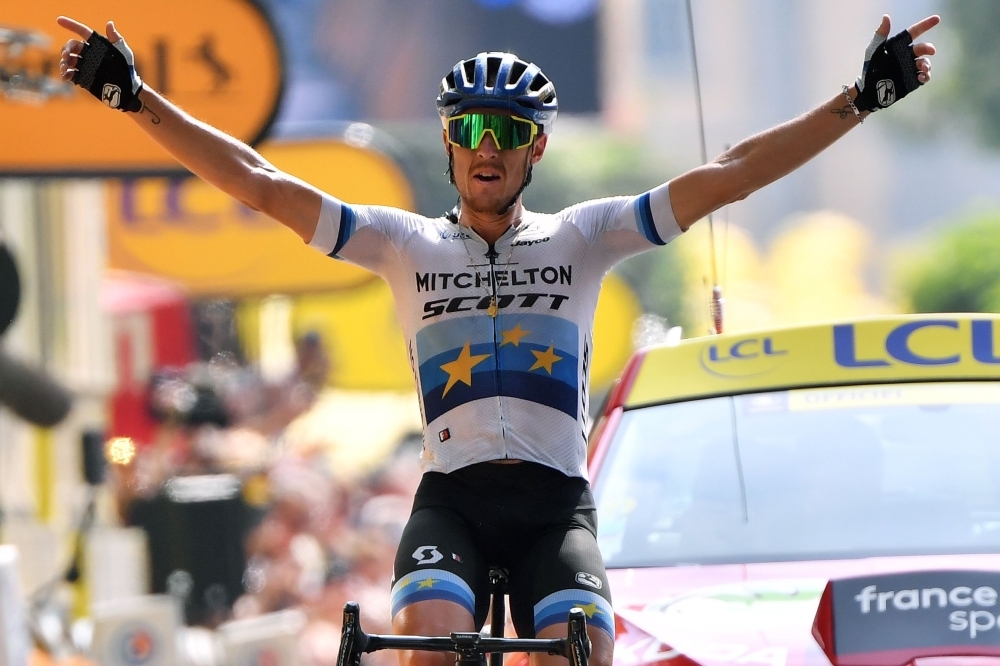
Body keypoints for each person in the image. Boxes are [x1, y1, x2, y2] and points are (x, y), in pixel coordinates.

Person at [57, 13, 938, 666]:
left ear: (535, 149)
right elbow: (258, 181)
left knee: (583, 650)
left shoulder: (584, 235)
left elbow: (731, 175)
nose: (488, 146)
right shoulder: (402, 244)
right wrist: (135, 99)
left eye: (508, 133)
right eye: (471, 129)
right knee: (426, 649)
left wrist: (858, 100)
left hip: (556, 508)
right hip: (454, 502)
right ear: (448, 142)